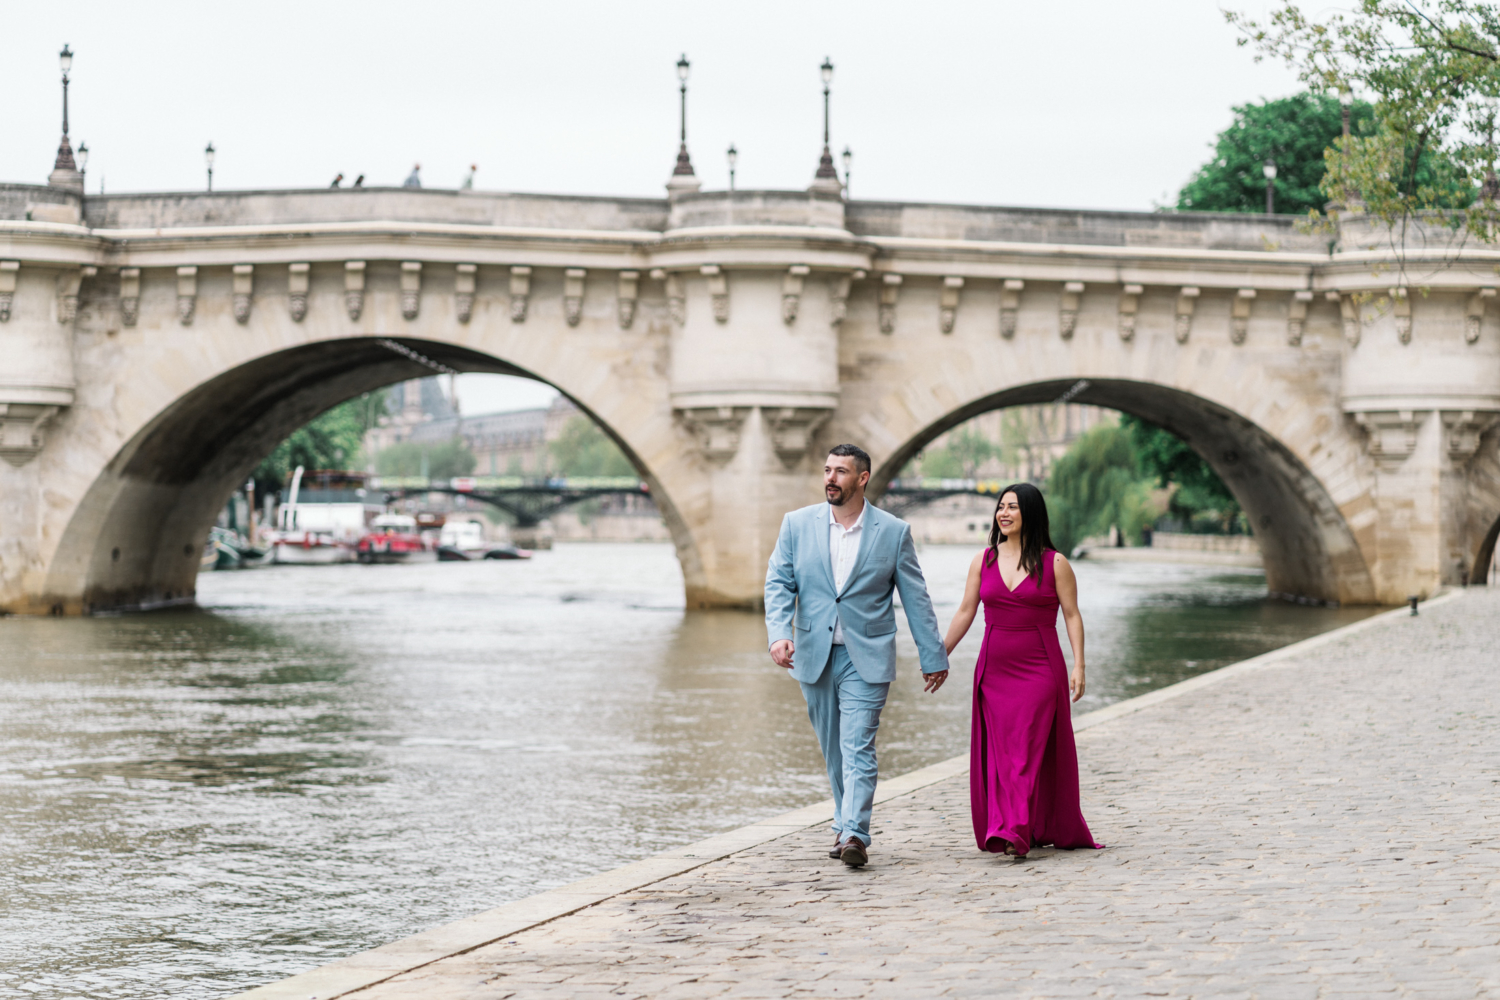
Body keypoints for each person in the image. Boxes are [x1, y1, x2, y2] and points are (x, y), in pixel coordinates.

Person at [766, 444, 950, 868]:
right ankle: (842, 821)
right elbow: (778, 581)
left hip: (866, 656)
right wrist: (778, 634)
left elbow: (915, 597)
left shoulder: (893, 532)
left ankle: (855, 834)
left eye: (841, 472)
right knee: (834, 749)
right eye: (827, 470)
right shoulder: (796, 525)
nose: (830, 478)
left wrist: (932, 654)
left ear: (862, 478)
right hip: (813, 654)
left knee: (857, 745)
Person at [942, 483, 1101, 858]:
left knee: (1025, 750)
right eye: (1000, 507)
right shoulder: (983, 561)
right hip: (994, 668)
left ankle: (1013, 828)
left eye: (1013, 507)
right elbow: (966, 611)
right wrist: (940, 655)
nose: (1004, 513)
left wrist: (1079, 664)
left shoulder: (1055, 563)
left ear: (1031, 512)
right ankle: (1013, 824)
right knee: (1001, 753)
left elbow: (1072, 615)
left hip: (1040, 668)